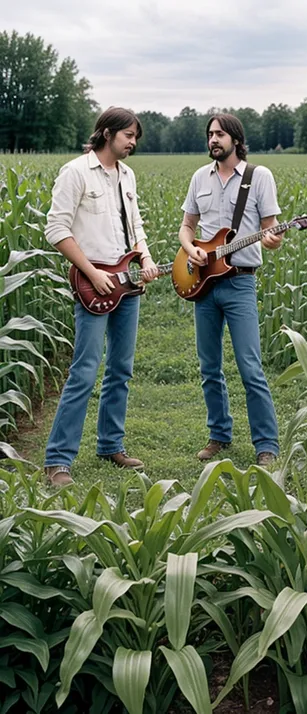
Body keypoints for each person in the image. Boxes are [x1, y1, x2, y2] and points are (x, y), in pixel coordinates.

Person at [44, 107, 156, 486]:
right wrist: (92, 273)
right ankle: (58, 461)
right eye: (128, 135)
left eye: (135, 136)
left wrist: (147, 257)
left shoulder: (128, 176)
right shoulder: (75, 172)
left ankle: (110, 444)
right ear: (107, 133)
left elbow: (135, 224)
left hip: (127, 283)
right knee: (84, 371)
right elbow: (56, 228)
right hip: (92, 284)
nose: (133, 143)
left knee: (121, 369)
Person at [178, 113, 283, 466]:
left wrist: (273, 240)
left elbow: (272, 236)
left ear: (235, 140)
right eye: (209, 134)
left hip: (240, 281)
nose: (213, 140)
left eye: (219, 134)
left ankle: (266, 444)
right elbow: (186, 226)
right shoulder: (199, 177)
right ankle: (219, 435)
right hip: (204, 284)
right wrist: (190, 247)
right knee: (209, 367)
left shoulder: (259, 177)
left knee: (249, 366)